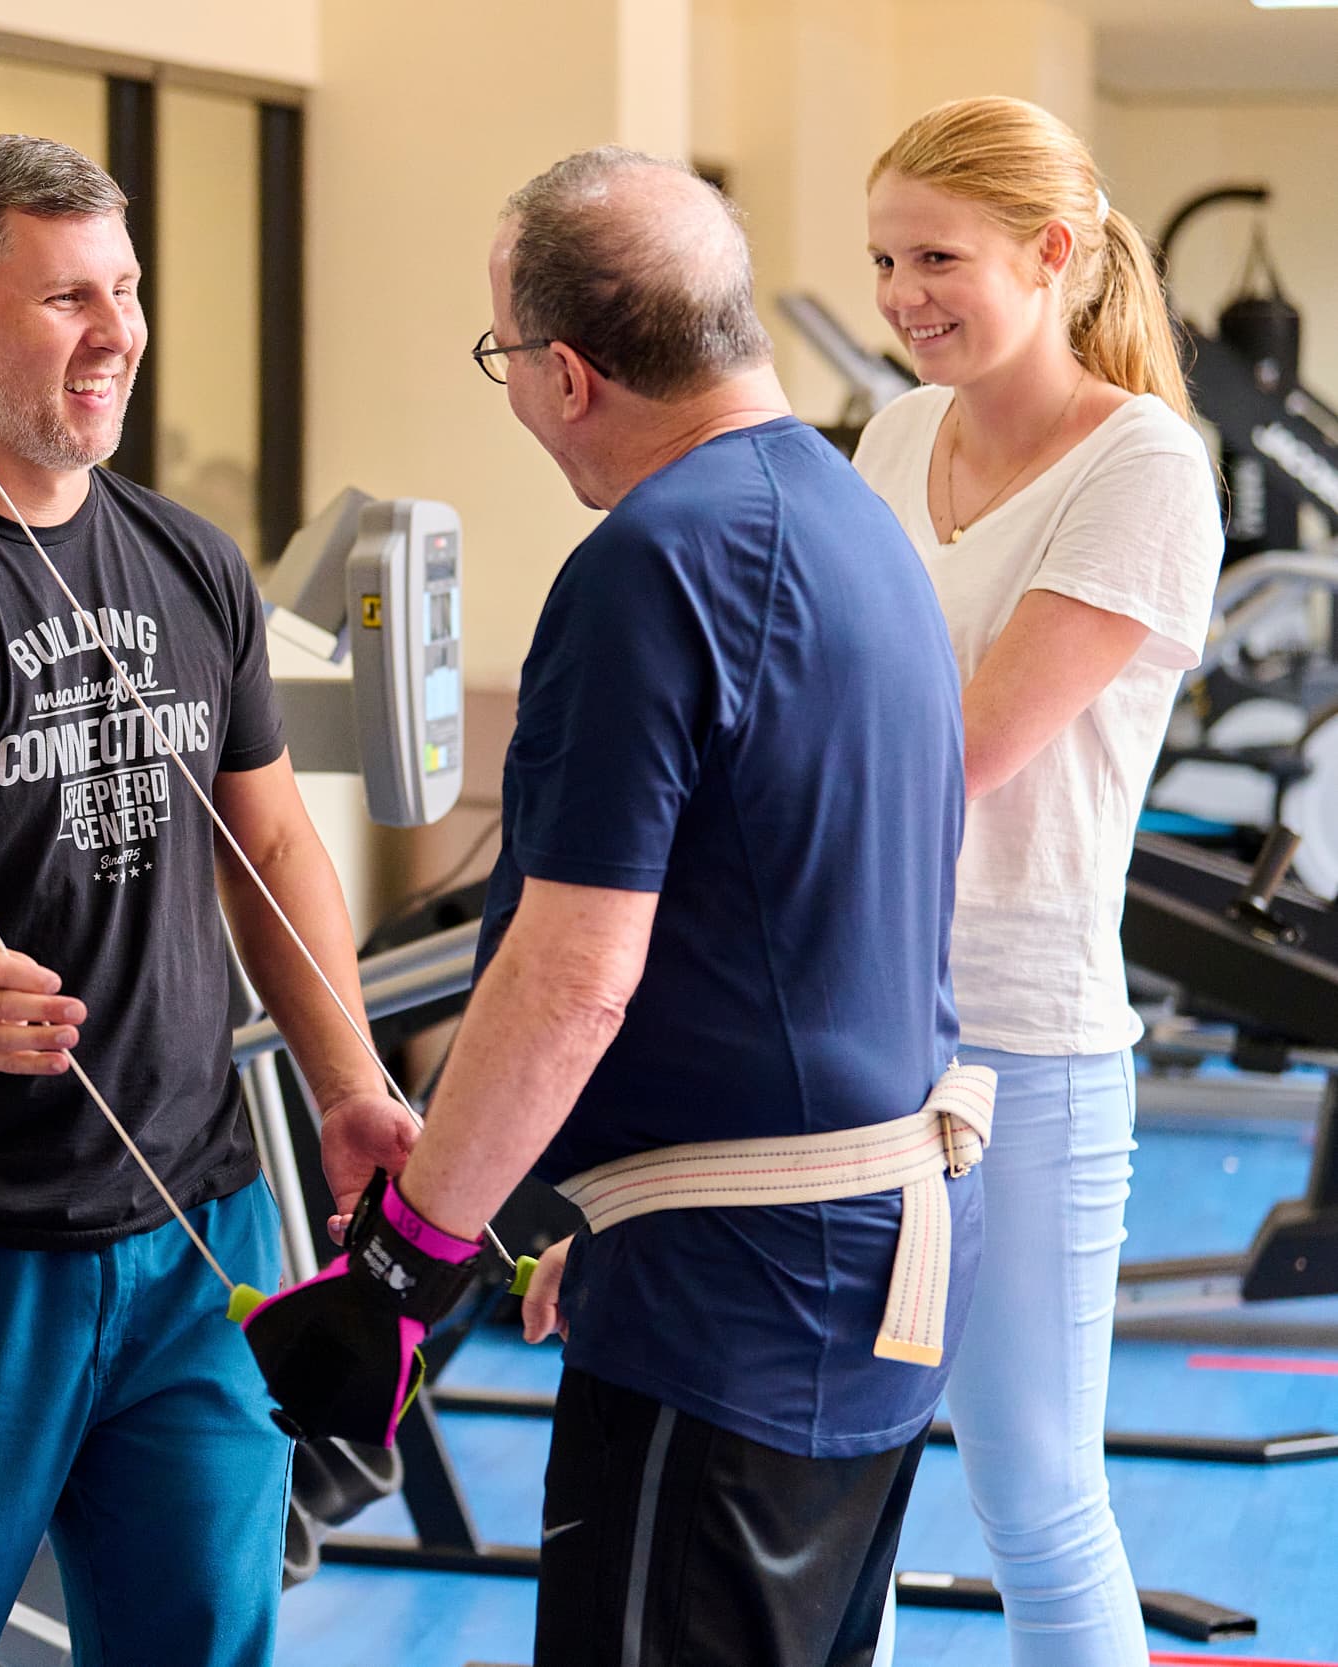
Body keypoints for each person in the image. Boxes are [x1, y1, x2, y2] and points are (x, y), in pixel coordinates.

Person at [239, 147, 982, 1667]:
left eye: (505, 357)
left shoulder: (653, 565)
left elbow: (575, 975)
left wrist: (405, 1273)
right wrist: (629, 1205)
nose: (513, 393)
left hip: (741, 1321)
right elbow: (808, 922)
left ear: (569, 374)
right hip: (855, 1270)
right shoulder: (851, 521)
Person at [0, 133, 415, 1667]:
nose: (115, 331)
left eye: (124, 290)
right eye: (65, 297)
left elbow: (270, 850)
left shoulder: (190, 562)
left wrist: (349, 1082)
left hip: (192, 1231)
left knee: (208, 1632)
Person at [856, 96, 1223, 1666]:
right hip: (851, 1022)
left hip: (1024, 1035)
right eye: (883, 260)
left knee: (1035, 1496)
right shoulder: (888, 434)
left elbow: (957, 751)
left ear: (1055, 254)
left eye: (936, 257)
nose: (901, 296)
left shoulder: (1146, 465)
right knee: (830, 1486)